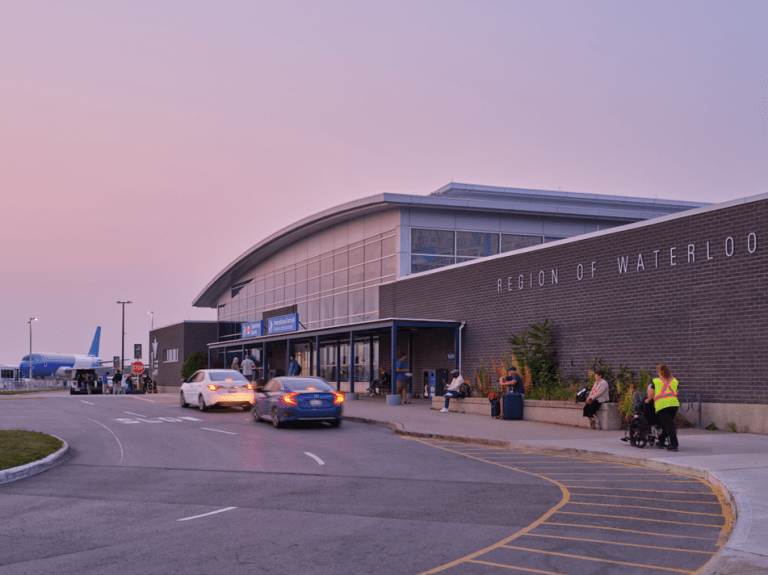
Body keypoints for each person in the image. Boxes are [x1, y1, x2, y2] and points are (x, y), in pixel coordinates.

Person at [647, 363, 680, 451]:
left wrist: (647, 400)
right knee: (668, 424)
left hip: (663, 405)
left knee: (668, 425)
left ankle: (674, 444)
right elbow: (676, 393)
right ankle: (661, 440)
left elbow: (650, 394)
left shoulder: (656, 381)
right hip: (674, 405)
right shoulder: (674, 381)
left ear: (659, 372)